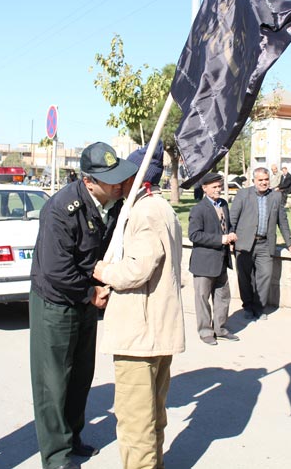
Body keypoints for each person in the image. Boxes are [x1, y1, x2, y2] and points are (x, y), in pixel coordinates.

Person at [29, 142, 138, 469]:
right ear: (88, 181)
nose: (118, 185)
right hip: (56, 303)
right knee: (54, 382)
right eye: (110, 179)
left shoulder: (111, 204)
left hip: (85, 301)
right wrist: (91, 294)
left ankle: (73, 438)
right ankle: (56, 455)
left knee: (80, 376)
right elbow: (56, 269)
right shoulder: (63, 209)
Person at [93, 144, 185, 469]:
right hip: (155, 330)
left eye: (124, 176)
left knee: (135, 424)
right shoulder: (162, 208)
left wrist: (105, 272)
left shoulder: (144, 212)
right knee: (152, 417)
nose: (118, 182)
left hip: (139, 334)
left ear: (137, 178)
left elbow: (140, 267)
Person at [230, 167, 291, 320]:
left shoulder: (276, 196)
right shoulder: (243, 194)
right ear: (254, 180)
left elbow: (282, 220)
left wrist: (289, 241)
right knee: (245, 277)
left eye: (266, 179)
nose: (264, 182)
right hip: (244, 243)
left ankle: (259, 308)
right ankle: (247, 306)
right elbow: (233, 217)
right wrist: (230, 236)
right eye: (260, 180)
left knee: (265, 276)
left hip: (265, 244)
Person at [188, 172, 239, 345]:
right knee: (202, 298)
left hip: (222, 260)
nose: (218, 190)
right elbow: (194, 235)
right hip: (204, 263)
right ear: (204, 188)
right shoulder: (198, 209)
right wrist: (220, 239)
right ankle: (205, 332)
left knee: (223, 297)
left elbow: (227, 225)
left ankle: (221, 328)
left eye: (220, 186)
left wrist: (231, 234)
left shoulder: (223, 204)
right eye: (214, 187)